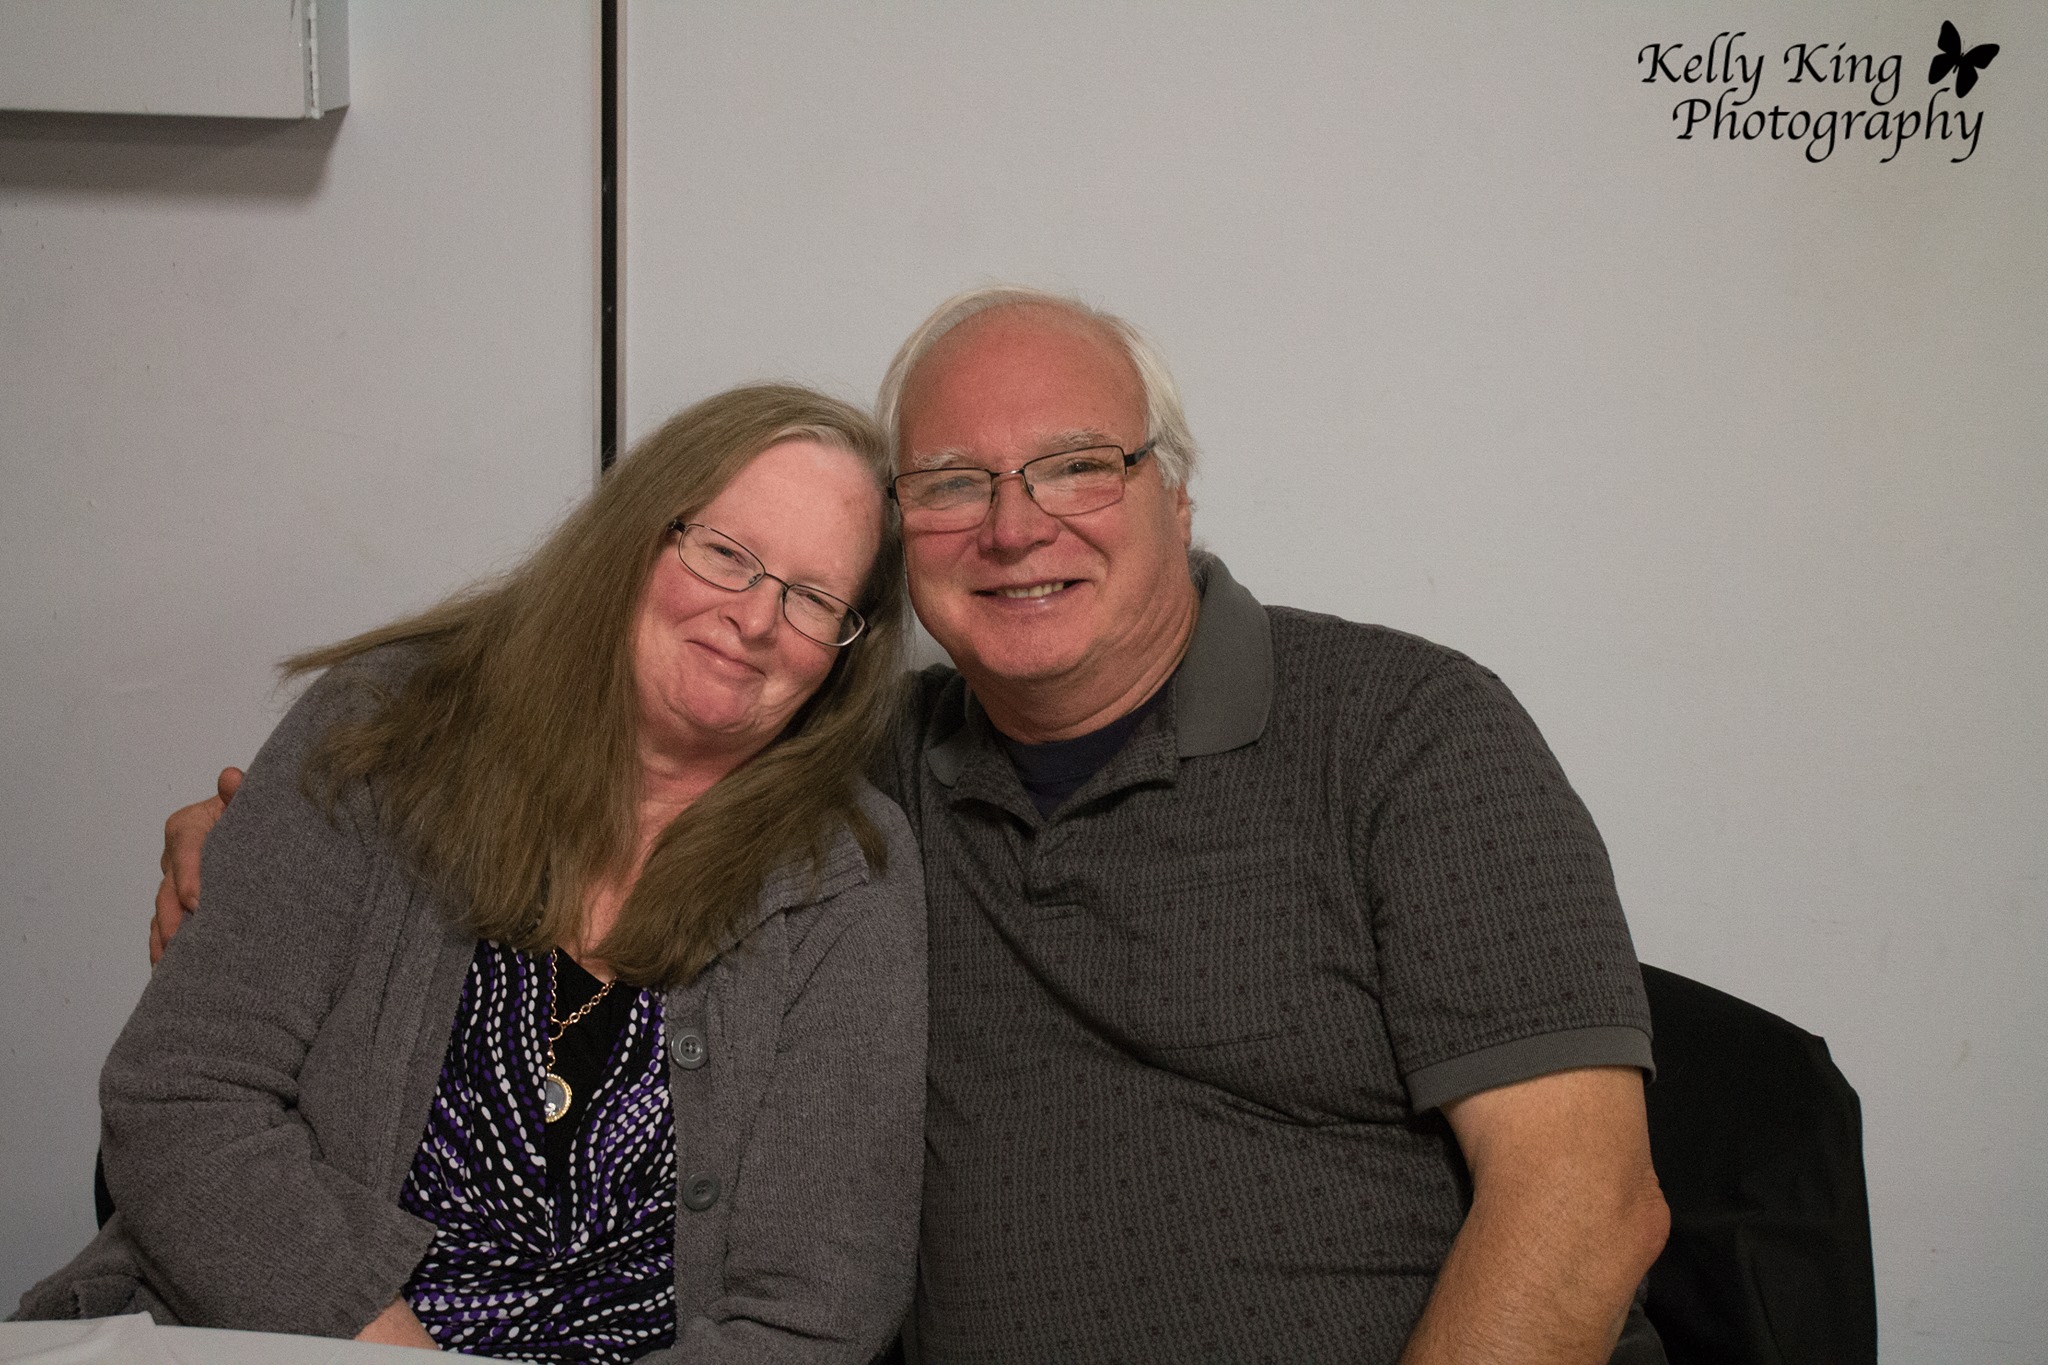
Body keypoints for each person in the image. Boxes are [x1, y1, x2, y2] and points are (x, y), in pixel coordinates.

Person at [153, 290, 1671, 1363]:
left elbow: (1585, 1205)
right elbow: (547, 760)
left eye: (1075, 466)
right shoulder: (857, 776)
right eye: (951, 485)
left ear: (1175, 493)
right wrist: (255, 832)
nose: (1014, 525)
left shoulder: (1405, 733)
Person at [25, 384, 927, 1365]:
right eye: (724, 553)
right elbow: (182, 1099)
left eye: (812, 599)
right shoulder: (384, 733)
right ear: (634, 538)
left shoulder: (848, 873)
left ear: (845, 653)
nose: (754, 618)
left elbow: (814, 1310)